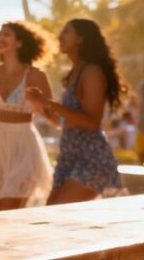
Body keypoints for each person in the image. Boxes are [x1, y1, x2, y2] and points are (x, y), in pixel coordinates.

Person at [27, 19, 126, 204]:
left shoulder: (92, 72)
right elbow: (65, 122)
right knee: (51, 214)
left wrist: (48, 102)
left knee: (55, 216)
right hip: (70, 156)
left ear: (80, 38)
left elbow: (91, 123)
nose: (60, 36)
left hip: (91, 158)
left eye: (66, 32)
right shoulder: (75, 72)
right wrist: (41, 108)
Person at [0, 22, 54, 211]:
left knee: (8, 209)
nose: (0, 38)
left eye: (7, 34)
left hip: (24, 145)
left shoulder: (36, 75)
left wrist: (39, 103)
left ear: (20, 43)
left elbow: (53, 114)